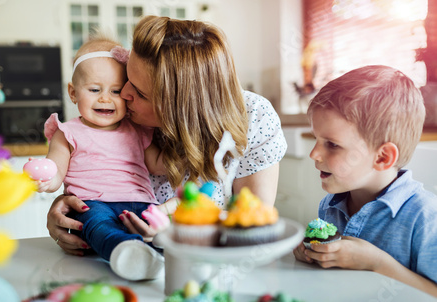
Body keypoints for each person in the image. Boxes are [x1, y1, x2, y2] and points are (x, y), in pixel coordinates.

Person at [47, 15, 287, 280]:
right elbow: (91, 169)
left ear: (177, 106)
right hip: (109, 270)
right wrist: (66, 206)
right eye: (127, 78)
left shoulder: (254, 118)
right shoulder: (120, 116)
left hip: (210, 277)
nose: (123, 94)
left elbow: (252, 229)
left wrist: (169, 232)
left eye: (139, 92)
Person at [293, 65, 437, 297]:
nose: (314, 154)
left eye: (332, 144)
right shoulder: (330, 207)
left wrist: (377, 264)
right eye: (315, 139)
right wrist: (313, 255)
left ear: (382, 157)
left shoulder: (426, 218)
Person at [39, 31, 166, 280]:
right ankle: (125, 251)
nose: (106, 98)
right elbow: (56, 170)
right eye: (95, 89)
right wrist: (45, 179)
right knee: (98, 226)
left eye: (116, 91)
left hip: (141, 201)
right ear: (74, 93)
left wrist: (187, 156)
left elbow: (157, 165)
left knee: (157, 226)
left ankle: (155, 255)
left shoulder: (138, 129)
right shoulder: (67, 132)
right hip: (93, 203)